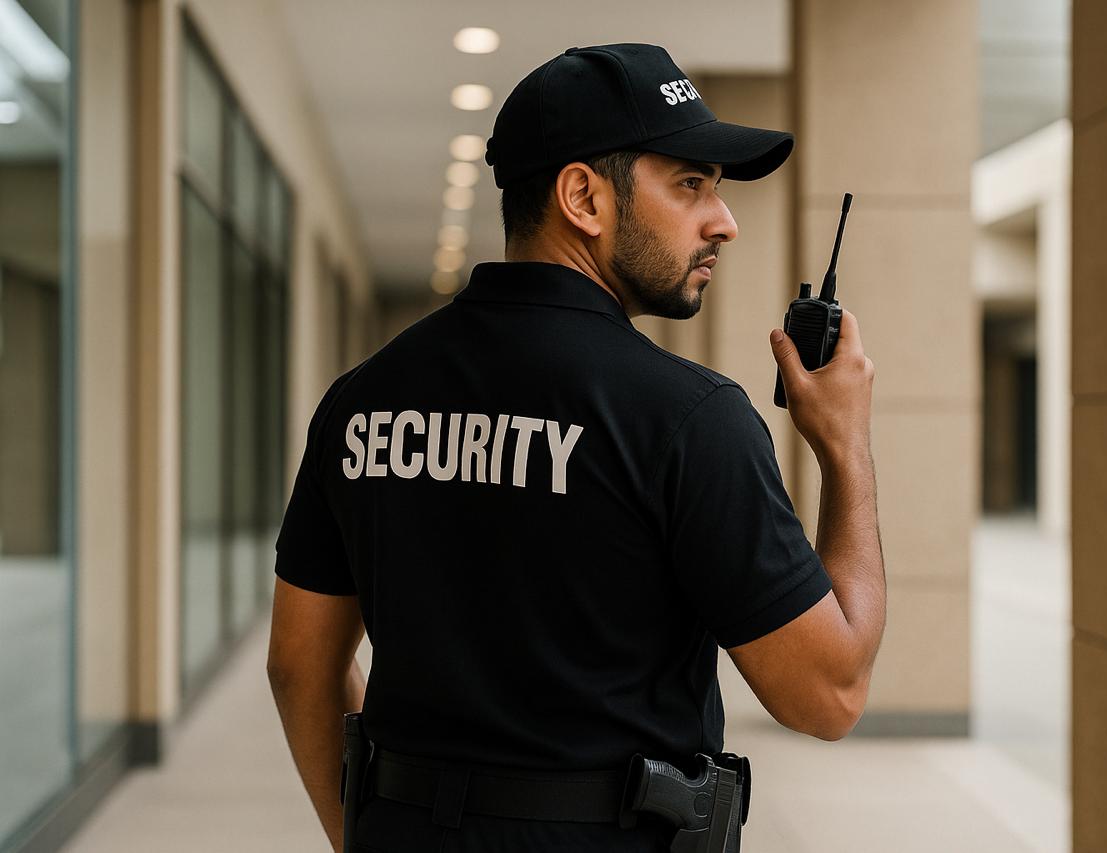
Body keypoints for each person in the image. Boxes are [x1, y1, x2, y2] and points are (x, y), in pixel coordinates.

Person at [267, 42, 886, 853]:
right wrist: (844, 445)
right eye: (691, 184)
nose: (724, 222)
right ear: (583, 198)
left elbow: (298, 665)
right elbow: (830, 693)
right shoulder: (689, 419)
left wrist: (368, 834)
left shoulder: (361, 400)